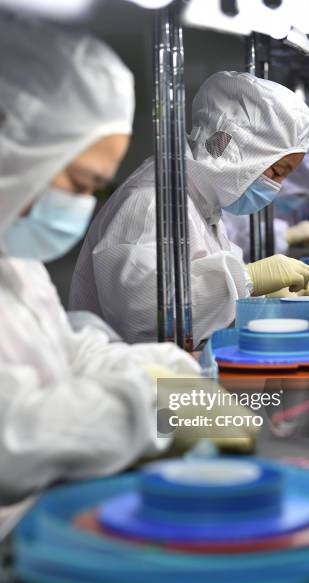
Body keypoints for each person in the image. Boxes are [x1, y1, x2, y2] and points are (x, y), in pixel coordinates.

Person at [0, 14, 254, 503]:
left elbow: (63, 345)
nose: (81, 204)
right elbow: (13, 439)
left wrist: (157, 371)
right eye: (78, 184)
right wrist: (150, 404)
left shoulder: (15, 257)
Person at [70, 71, 309, 347]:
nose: (277, 186)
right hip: (143, 382)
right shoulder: (152, 203)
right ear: (241, 150)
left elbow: (199, 299)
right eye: (277, 171)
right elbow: (146, 313)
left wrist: (262, 300)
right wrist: (248, 279)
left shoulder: (200, 202)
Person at [223, 123, 309, 260]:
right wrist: (286, 236)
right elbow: (230, 242)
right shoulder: (227, 192)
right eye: (278, 172)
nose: (277, 183)